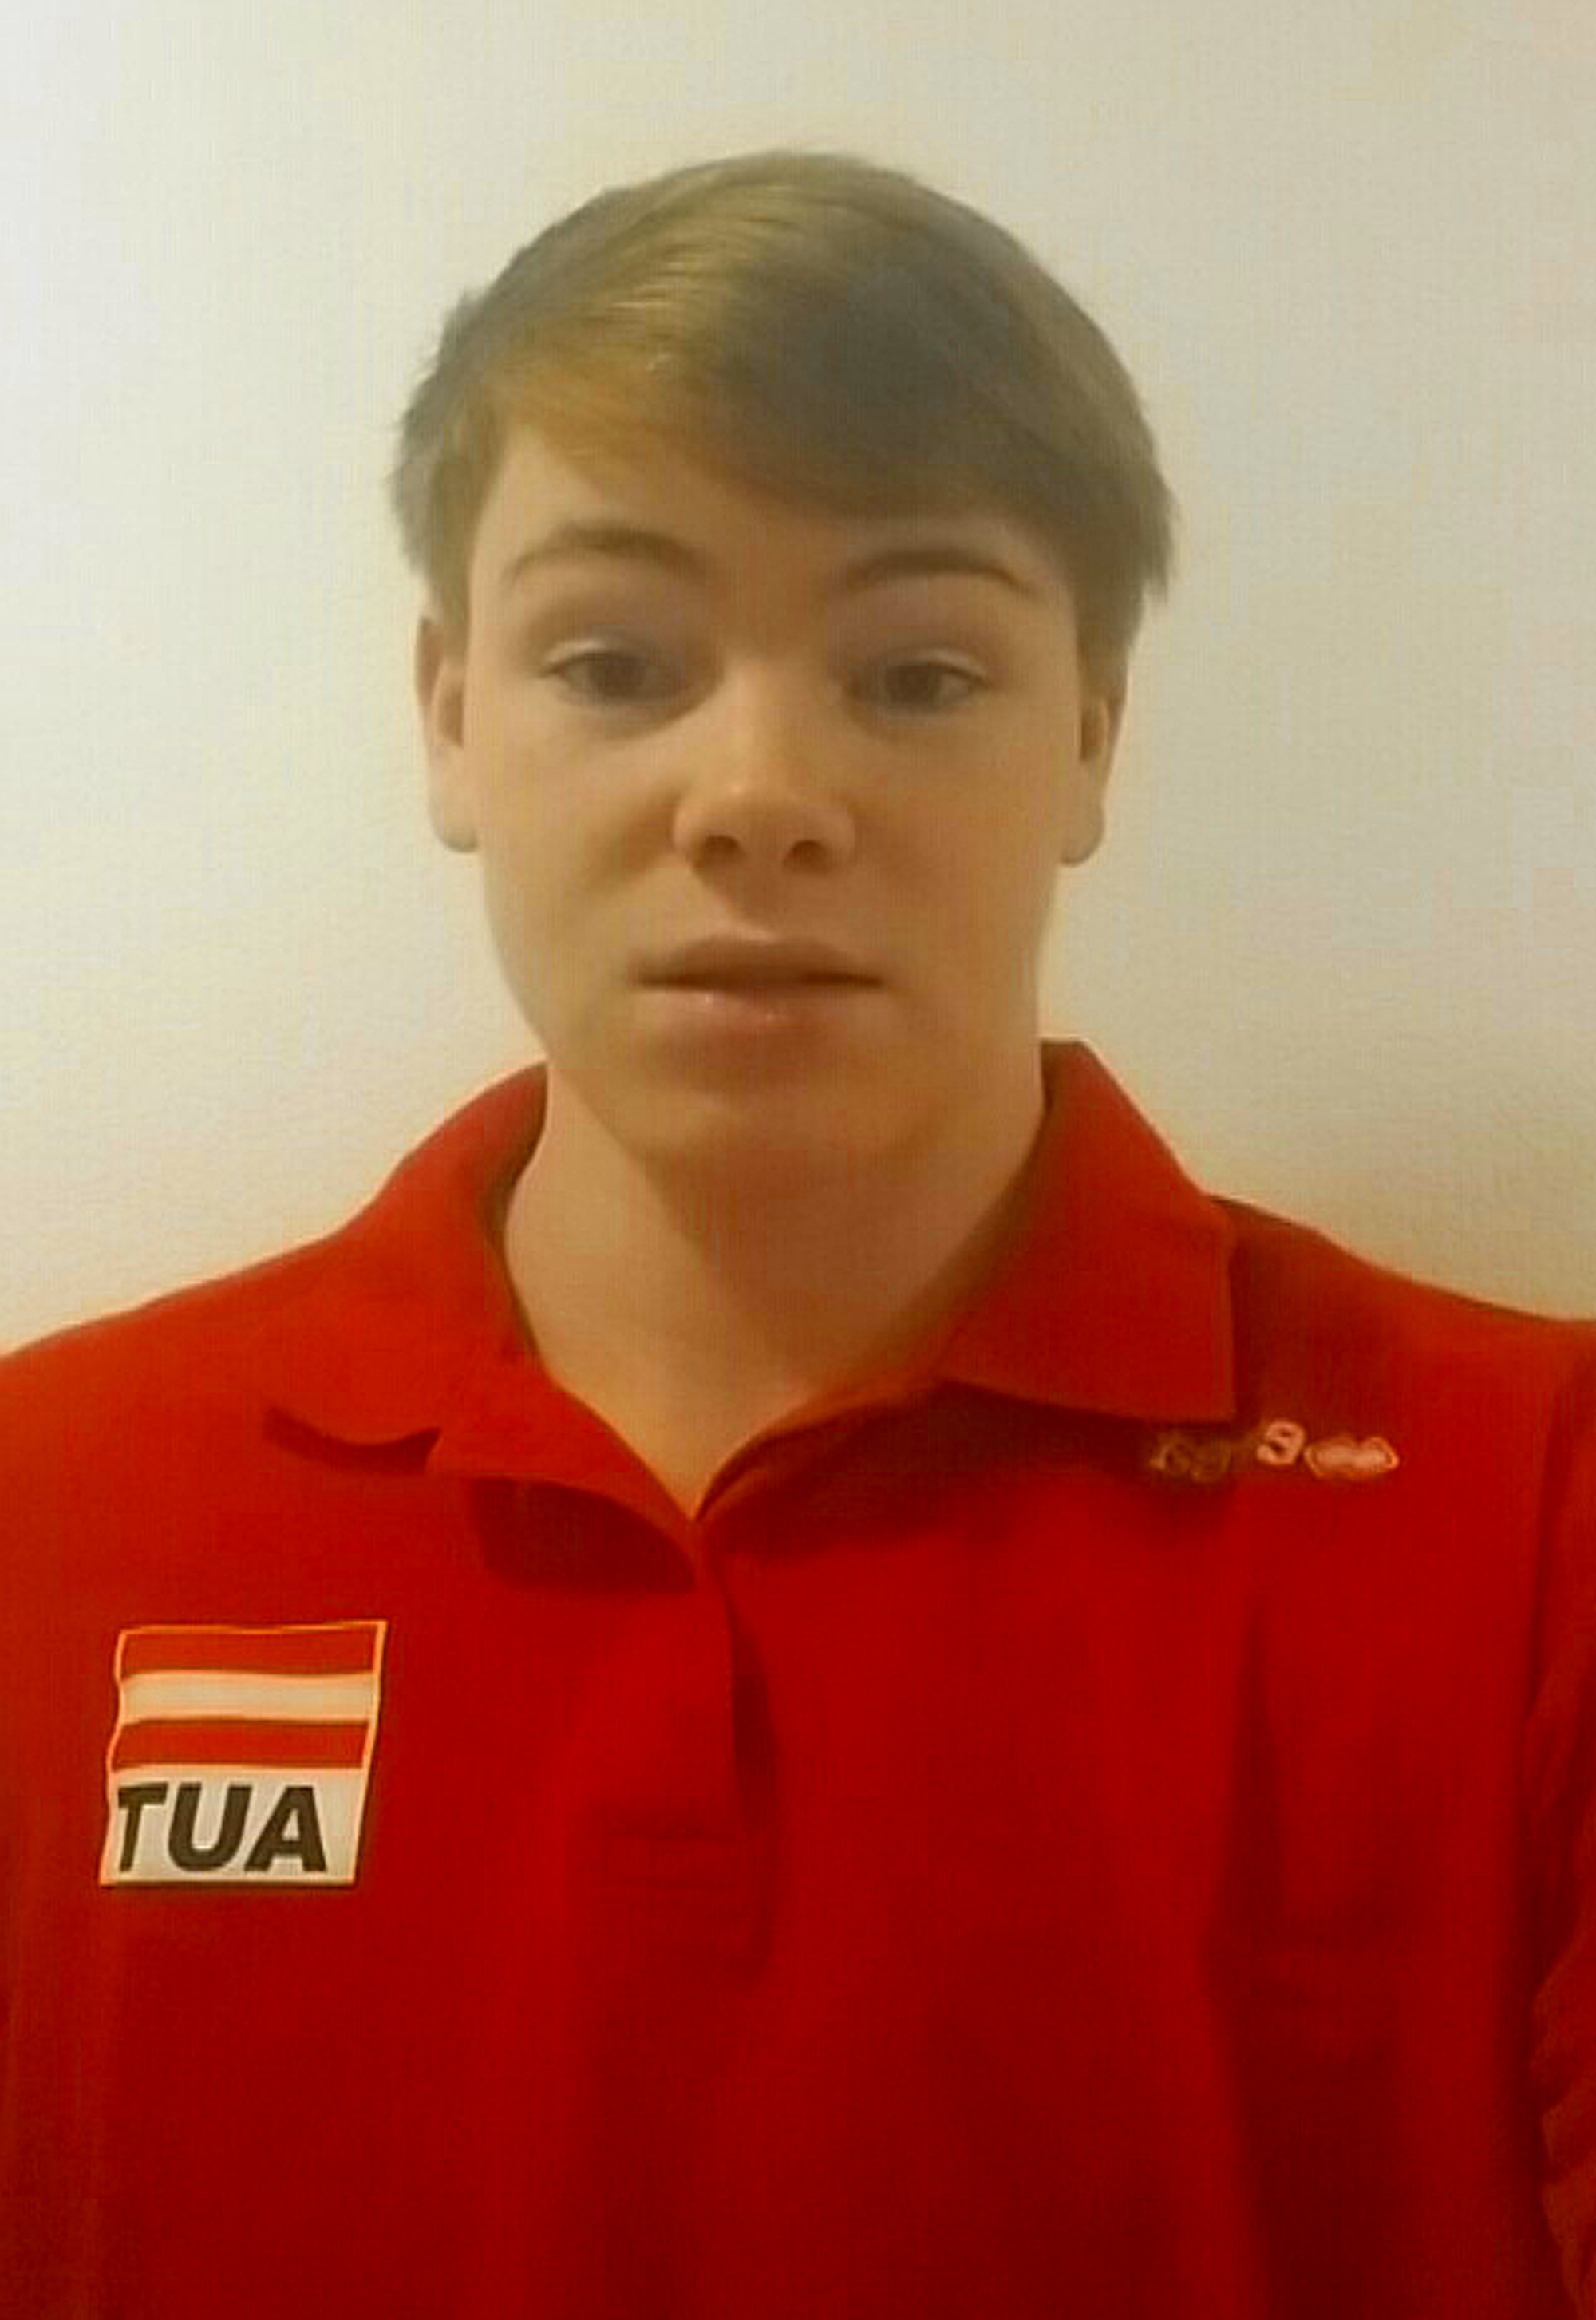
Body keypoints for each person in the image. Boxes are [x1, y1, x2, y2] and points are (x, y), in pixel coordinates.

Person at [2, 144, 1592, 2320]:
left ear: (1091, 737)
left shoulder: (1529, 1506)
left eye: (917, 674)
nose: (758, 792)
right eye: (615, 659)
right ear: (451, 714)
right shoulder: (51, 1503)